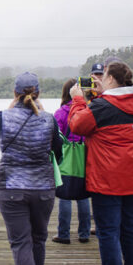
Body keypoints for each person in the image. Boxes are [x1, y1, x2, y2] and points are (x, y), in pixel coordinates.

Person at [0, 72, 63, 265]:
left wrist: (9, 111)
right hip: (43, 190)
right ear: (38, 93)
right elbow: (58, 155)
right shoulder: (50, 120)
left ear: (15, 93)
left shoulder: (3, 117)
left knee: (21, 244)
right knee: (38, 241)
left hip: (12, 190)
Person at [68, 61, 133, 265]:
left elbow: (77, 125)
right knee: (130, 228)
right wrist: (98, 96)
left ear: (111, 78)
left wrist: (78, 100)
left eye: (104, 76)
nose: (100, 79)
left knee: (108, 231)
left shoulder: (103, 106)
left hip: (107, 177)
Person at [52, 78, 92, 244]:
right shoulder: (86, 110)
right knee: (83, 195)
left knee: (65, 196)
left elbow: (55, 136)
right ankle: (84, 234)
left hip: (66, 156)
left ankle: (64, 234)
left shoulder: (60, 113)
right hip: (84, 155)